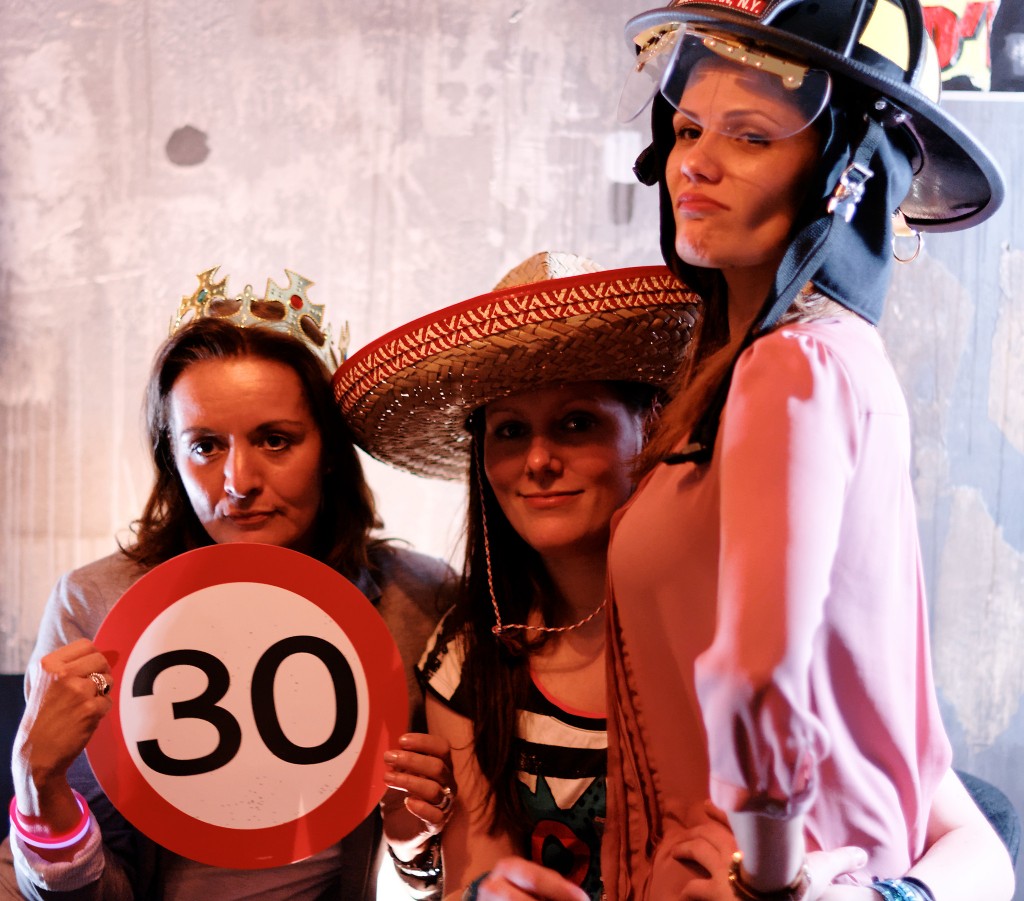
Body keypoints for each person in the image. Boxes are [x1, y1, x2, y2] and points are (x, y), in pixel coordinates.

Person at [603, 1, 1016, 900]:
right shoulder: (798, 367)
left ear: (845, 171)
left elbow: (755, 678)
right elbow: (904, 750)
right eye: (687, 128)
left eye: (751, 136)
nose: (695, 162)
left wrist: (769, 878)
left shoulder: (794, 367)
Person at [0, 268, 453, 900]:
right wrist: (38, 785)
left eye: (275, 440)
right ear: (171, 456)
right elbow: (82, 892)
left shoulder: (418, 601)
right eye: (206, 446)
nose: (239, 482)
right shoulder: (97, 605)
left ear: (329, 449)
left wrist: (416, 849)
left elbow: (440, 869)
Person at [332, 251, 700, 900]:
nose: (537, 460)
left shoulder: (723, 630)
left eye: (576, 422)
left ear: (648, 429)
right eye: (509, 430)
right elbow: (477, 878)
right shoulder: (468, 657)